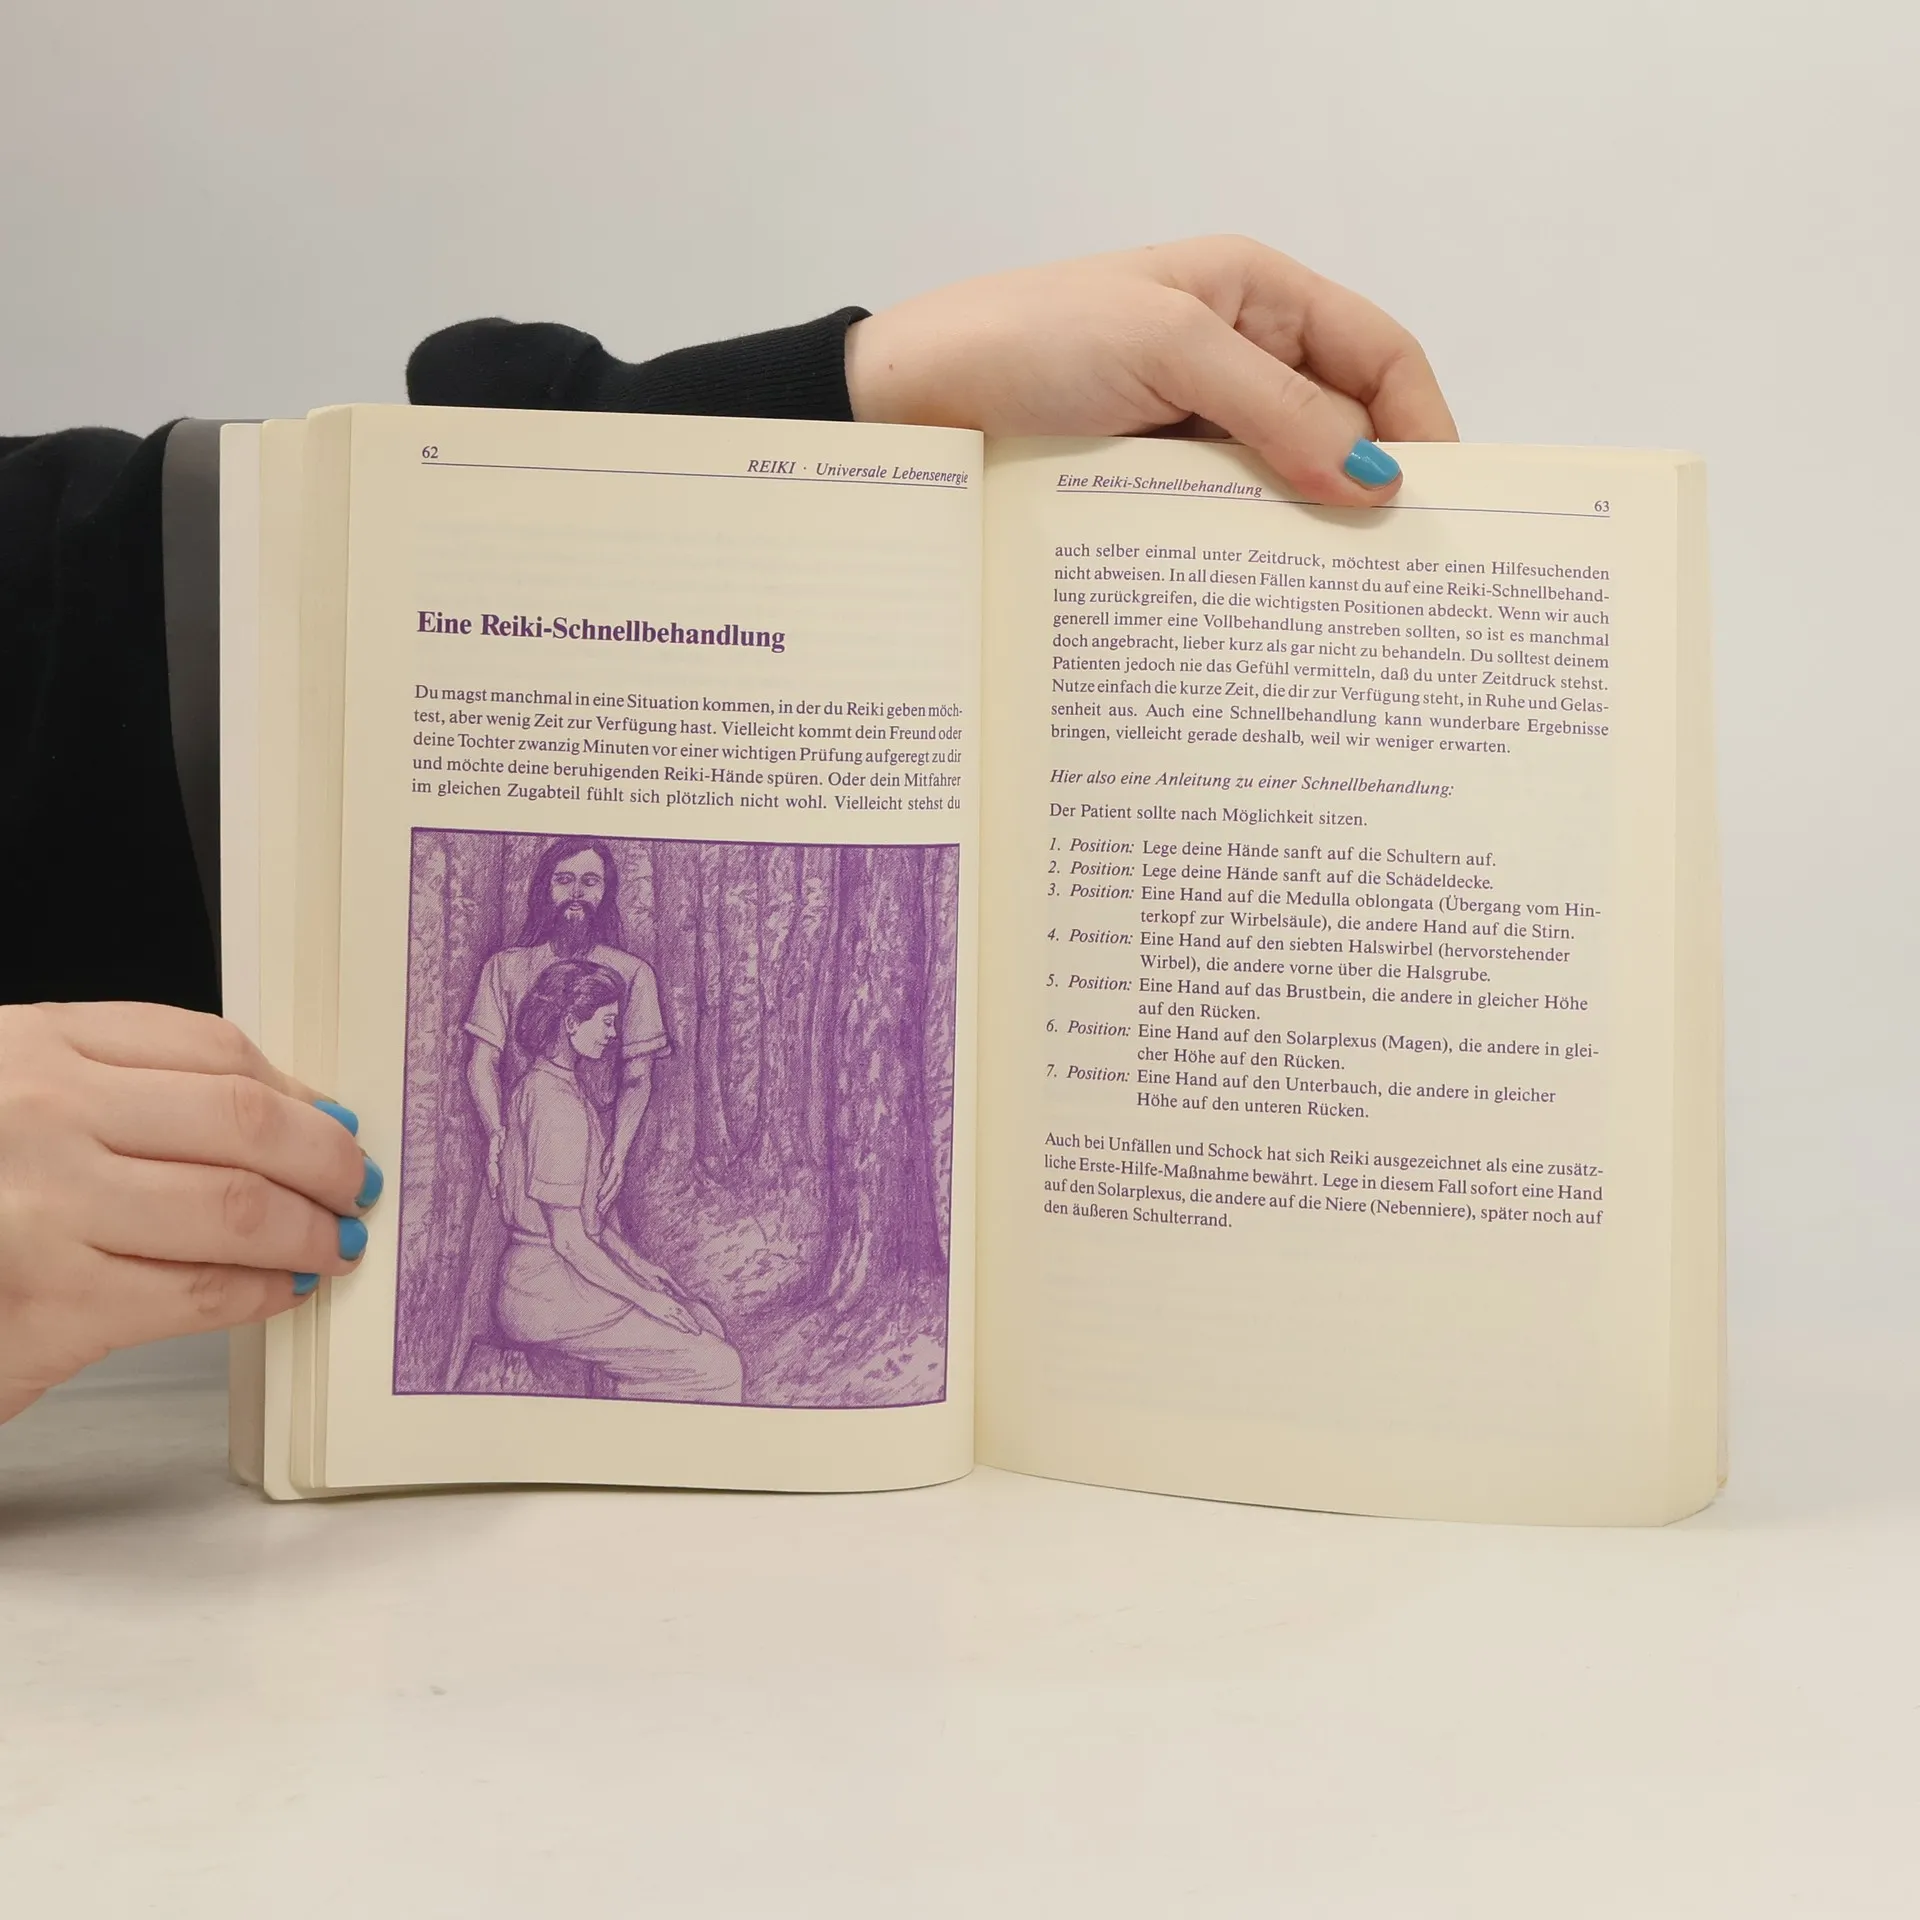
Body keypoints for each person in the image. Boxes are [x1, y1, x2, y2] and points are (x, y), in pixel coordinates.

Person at [0, 235, 1457, 1426]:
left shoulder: (610, 1013)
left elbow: (101, 631)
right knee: (699, 1365)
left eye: (594, 879)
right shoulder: (522, 1024)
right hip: (485, 1310)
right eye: (568, 881)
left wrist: (846, 402)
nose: (581, 909)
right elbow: (542, 1175)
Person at [491, 960, 740, 1402]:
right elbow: (568, 1240)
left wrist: (640, 1266)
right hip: (545, 1290)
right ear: (571, 1022)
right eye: (606, 1022)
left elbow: (583, 1222)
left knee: (703, 1319)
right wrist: (647, 1299)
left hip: (556, 1277)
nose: (613, 1034)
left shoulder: (548, 1086)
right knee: (718, 1364)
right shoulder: (555, 1107)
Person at [464, 837, 667, 1212]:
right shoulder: (504, 968)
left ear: (606, 891)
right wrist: (495, 1133)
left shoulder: (634, 973)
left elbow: (638, 1077)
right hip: (518, 1149)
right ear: (546, 888)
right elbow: (483, 1061)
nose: (576, 893)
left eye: (590, 881)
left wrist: (618, 1152)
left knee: (586, 1239)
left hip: (591, 1153)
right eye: (564, 880)